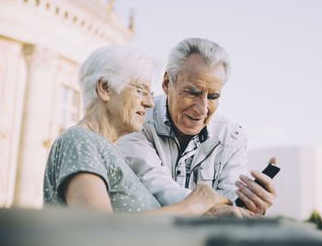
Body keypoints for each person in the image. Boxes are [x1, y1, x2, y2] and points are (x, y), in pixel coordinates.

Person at [43, 45, 231, 215]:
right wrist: (195, 204)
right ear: (105, 88)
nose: (149, 103)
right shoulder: (80, 139)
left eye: (150, 94)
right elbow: (98, 232)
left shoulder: (111, 152)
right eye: (141, 91)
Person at [116, 38, 277, 216]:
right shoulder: (136, 121)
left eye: (213, 96)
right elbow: (156, 185)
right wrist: (216, 210)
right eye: (192, 93)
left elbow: (232, 199)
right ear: (167, 83)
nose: (202, 109)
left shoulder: (231, 136)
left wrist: (252, 204)